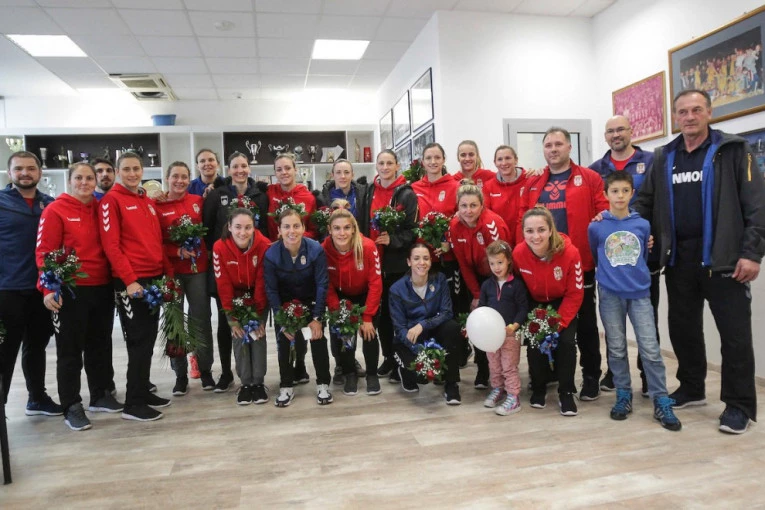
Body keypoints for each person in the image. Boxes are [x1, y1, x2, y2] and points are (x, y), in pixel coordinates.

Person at [634, 89, 765, 434]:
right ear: (675, 117)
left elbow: (756, 205)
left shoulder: (733, 150)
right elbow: (644, 201)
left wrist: (752, 254)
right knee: (683, 329)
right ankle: (692, 388)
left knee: (734, 336)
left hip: (724, 261)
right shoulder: (664, 156)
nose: (689, 117)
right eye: (682, 112)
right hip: (679, 260)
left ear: (709, 112)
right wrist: (629, 228)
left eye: (696, 110)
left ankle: (739, 405)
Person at [518, 127, 609, 401]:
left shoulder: (590, 178)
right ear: (543, 150)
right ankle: (550, 373)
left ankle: (590, 376)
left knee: (586, 325)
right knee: (541, 322)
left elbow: (604, 213)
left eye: (558, 144)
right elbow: (522, 220)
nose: (553, 149)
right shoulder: (534, 183)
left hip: (579, 263)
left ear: (570, 147)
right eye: (548, 145)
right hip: (540, 267)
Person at [588, 172, 681, 431]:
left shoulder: (642, 225)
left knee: (650, 349)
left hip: (639, 294)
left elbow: (643, 254)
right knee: (617, 348)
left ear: (632, 193)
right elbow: (597, 255)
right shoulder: (596, 226)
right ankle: (623, 394)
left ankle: (660, 399)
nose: (620, 196)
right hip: (610, 295)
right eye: (614, 191)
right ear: (606, 194)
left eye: (625, 191)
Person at [36, 162, 122, 431]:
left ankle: (100, 395)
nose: (84, 182)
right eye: (79, 178)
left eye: (89, 178)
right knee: (70, 350)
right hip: (70, 289)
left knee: (100, 344)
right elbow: (44, 252)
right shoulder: (55, 210)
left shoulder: (101, 208)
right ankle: (71, 405)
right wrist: (48, 288)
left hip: (102, 286)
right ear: (70, 180)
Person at [99, 151, 173, 422]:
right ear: (118, 172)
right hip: (131, 283)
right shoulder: (111, 201)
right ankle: (133, 403)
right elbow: (111, 246)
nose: (132, 174)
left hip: (153, 279)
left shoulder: (147, 201)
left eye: (136, 169)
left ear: (142, 171)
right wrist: (129, 280)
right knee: (138, 341)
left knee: (148, 340)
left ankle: (142, 390)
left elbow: (156, 242)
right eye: (126, 169)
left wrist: (168, 274)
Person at [589, 115, 658, 395]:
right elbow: (597, 247)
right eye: (610, 131)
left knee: (648, 336)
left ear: (631, 131)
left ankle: (649, 381)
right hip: (611, 271)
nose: (616, 135)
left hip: (642, 259)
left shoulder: (651, 161)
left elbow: (661, 201)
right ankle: (618, 383)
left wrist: (650, 238)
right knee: (615, 339)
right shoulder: (596, 169)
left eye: (621, 129)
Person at [0, 151, 62, 416]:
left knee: (36, 346)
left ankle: (36, 398)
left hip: (40, 289)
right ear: (9, 173)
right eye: (18, 169)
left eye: (30, 168)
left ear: (39, 172)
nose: (25, 173)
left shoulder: (49, 204)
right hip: (7, 289)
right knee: (5, 351)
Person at [203, 151, 269, 393]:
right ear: (228, 169)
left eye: (244, 166)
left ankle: (256, 379)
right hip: (227, 268)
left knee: (256, 327)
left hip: (255, 265)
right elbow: (207, 227)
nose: (240, 170)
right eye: (235, 166)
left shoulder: (260, 195)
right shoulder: (217, 194)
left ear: (249, 168)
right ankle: (227, 373)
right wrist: (219, 256)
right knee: (228, 326)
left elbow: (265, 228)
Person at [513, 207, 584, 416]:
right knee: (535, 343)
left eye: (541, 230)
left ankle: (566, 391)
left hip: (562, 303)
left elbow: (575, 293)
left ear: (551, 230)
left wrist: (558, 324)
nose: (536, 236)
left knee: (566, 343)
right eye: (529, 231)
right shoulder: (518, 254)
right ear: (523, 232)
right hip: (535, 304)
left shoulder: (570, 253)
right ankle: (538, 387)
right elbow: (518, 287)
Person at [155, 162, 214, 396]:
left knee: (201, 320)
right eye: (175, 176)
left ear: (190, 180)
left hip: (197, 271)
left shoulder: (197, 201)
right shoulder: (157, 205)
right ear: (167, 178)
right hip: (171, 272)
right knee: (174, 322)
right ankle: (180, 375)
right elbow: (154, 241)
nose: (179, 181)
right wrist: (176, 251)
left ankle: (205, 369)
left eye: (184, 177)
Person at [358, 150, 418, 382]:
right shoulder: (368, 191)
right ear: (376, 165)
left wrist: (392, 240)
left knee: (398, 315)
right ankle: (389, 357)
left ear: (397, 166)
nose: (385, 167)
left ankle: (402, 359)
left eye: (389, 163)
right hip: (372, 263)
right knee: (380, 316)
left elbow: (412, 232)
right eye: (381, 163)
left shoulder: (406, 194)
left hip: (396, 264)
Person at [264, 208, 332, 407]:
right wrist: (282, 320)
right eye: (286, 226)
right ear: (279, 230)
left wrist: (317, 317)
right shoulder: (271, 254)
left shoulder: (315, 249)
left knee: (317, 337)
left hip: (311, 302)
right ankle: (286, 386)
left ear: (303, 228)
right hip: (285, 304)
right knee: (284, 339)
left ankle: (323, 384)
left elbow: (322, 284)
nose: (291, 231)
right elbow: (271, 290)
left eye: (296, 226)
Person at [449, 183, 511, 389]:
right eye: (464, 205)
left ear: (482, 205)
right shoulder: (454, 226)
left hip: (497, 276)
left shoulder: (491, 224)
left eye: (473, 205)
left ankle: (504, 373)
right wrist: (476, 294)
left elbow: (502, 262)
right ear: (458, 206)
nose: (468, 211)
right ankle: (483, 370)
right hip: (474, 277)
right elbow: (463, 264)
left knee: (497, 323)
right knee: (477, 321)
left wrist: (494, 292)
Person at [389, 243, 462, 405]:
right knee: (421, 378)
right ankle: (402, 370)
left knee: (452, 327)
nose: (422, 262)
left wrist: (423, 324)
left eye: (426, 258)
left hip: (433, 332)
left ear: (430, 261)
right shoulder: (396, 289)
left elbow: (447, 312)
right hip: (411, 339)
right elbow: (400, 328)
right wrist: (421, 353)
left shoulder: (440, 279)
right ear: (409, 262)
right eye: (416, 258)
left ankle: (451, 384)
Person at [322, 205, 383, 396]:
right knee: (344, 334)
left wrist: (367, 316)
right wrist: (337, 311)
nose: (342, 233)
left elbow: (375, 283)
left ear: (354, 229)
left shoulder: (368, 247)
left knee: (369, 332)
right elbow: (326, 284)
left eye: (347, 227)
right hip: (340, 297)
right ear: (330, 229)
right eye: (337, 228)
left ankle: (372, 374)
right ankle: (349, 373)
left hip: (365, 295)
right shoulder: (323, 249)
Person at [213, 208, 270, 405]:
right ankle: (245, 383)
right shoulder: (219, 247)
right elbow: (223, 284)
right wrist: (232, 318)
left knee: (257, 335)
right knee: (239, 336)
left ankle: (258, 382)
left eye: (248, 227)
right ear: (229, 227)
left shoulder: (264, 245)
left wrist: (258, 315)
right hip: (234, 298)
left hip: (257, 296)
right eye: (238, 227)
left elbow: (262, 281)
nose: (243, 232)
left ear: (254, 228)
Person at [479, 241, 528, 416]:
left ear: (508, 261)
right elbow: (482, 308)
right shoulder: (487, 285)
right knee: (494, 365)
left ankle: (513, 397)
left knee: (509, 366)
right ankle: (498, 389)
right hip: (491, 336)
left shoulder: (517, 285)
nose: (496, 267)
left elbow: (523, 308)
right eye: (492, 263)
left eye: (500, 262)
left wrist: (515, 326)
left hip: (510, 334)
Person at [482, 145, 527, 247]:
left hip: (526, 241)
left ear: (516, 160)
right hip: (500, 243)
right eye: (500, 159)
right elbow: (486, 216)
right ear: (495, 162)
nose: (504, 163)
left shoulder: (528, 180)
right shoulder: (488, 186)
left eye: (508, 158)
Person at [266, 153, 318, 240]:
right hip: (274, 245)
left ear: (295, 170)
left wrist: (294, 236)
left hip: (299, 246)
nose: (284, 172)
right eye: (279, 170)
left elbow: (314, 231)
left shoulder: (308, 197)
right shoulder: (269, 192)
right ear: (275, 173)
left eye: (288, 168)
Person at [319, 158, 368, 223]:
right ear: (332, 175)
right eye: (338, 172)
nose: (343, 176)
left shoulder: (363, 195)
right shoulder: (324, 198)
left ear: (352, 175)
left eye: (346, 172)